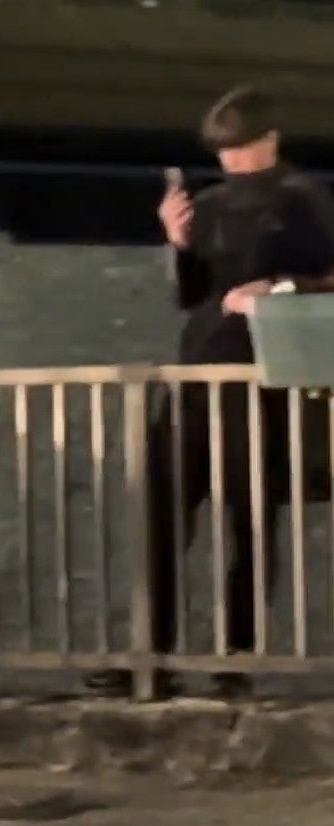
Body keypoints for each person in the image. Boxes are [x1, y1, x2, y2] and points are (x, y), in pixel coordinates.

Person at [118, 86, 334, 698]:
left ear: (268, 142)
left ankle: (234, 656)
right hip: (199, 368)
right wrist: (178, 243)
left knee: (249, 519)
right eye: (223, 153)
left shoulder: (302, 198)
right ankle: (147, 651)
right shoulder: (211, 203)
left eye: (239, 150)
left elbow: (329, 278)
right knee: (161, 509)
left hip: (261, 378)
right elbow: (191, 294)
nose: (232, 163)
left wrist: (280, 288)